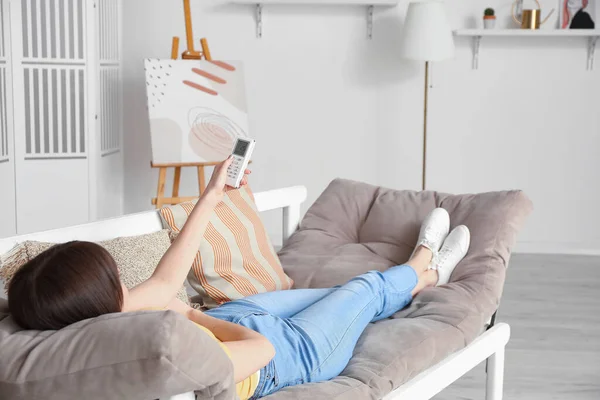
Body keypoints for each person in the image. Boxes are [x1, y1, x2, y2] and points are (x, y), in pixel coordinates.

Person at [7, 157, 471, 400]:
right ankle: (426, 267)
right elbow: (261, 350)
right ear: (98, 304)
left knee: (339, 295)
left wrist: (212, 195)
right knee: (362, 288)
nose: (127, 287)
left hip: (237, 317)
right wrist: (191, 315)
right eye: (115, 281)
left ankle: (411, 280)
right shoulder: (157, 357)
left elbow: (166, 278)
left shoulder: (108, 315)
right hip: (288, 355)